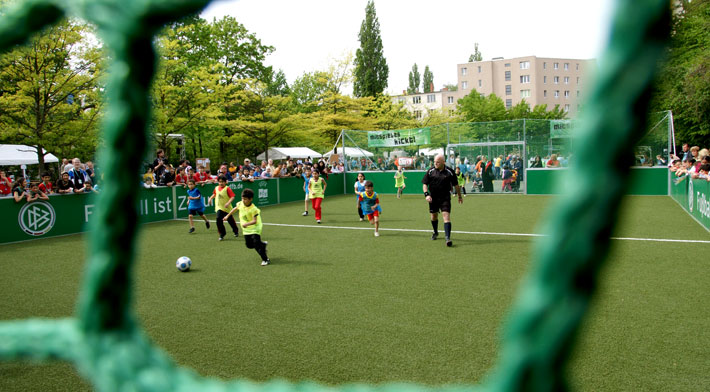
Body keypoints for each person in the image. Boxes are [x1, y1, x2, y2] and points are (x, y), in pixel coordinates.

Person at [422, 154, 462, 247]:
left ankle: (447, 238)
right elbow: (424, 184)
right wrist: (426, 195)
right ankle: (435, 232)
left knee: (446, 217)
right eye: (435, 161)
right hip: (433, 198)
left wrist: (459, 196)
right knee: (433, 217)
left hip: (445, 198)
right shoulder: (431, 171)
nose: (435, 163)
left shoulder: (450, 172)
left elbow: (456, 185)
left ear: (443, 162)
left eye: (438, 162)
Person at [224, 188, 270, 266]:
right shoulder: (240, 203)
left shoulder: (254, 209)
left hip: (255, 227)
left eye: (245, 199)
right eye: (242, 198)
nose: (243, 200)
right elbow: (235, 208)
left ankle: (265, 259)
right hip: (246, 229)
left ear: (250, 199)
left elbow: (254, 221)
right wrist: (227, 216)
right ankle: (262, 245)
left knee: (256, 244)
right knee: (249, 245)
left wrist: (246, 224)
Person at [207, 175, 239, 241]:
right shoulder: (216, 188)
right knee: (218, 219)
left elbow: (232, 196)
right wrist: (210, 198)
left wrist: (228, 203)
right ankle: (222, 234)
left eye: (222, 182)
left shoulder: (227, 188)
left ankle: (235, 231)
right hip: (219, 207)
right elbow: (215, 194)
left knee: (231, 221)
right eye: (219, 182)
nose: (221, 183)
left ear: (226, 182)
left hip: (227, 208)